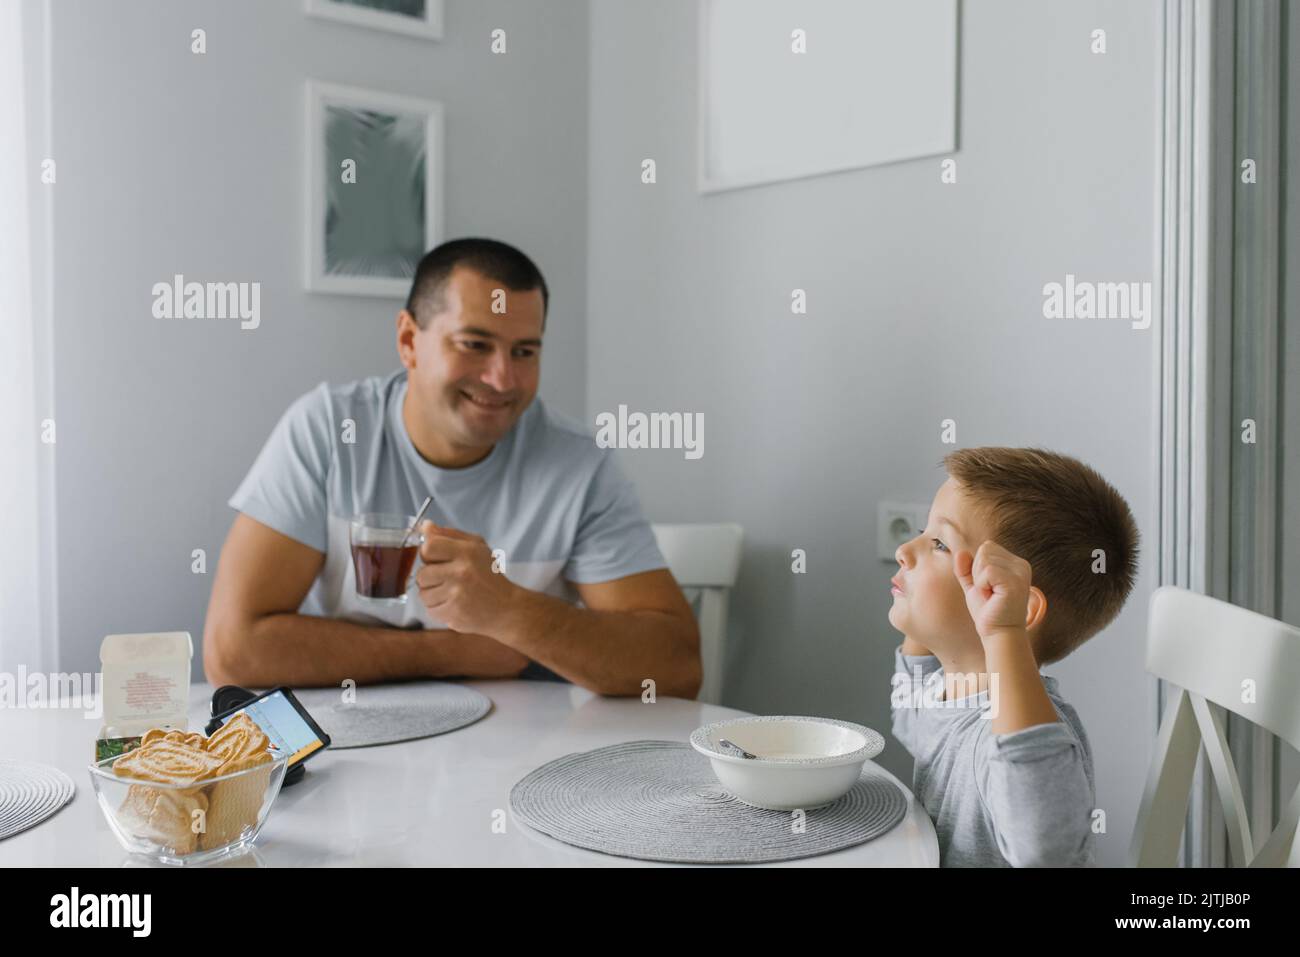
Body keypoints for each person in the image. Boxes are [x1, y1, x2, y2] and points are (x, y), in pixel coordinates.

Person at [203, 238, 701, 697]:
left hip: (519, 762)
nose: (501, 378)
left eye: (524, 351)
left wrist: (510, 611)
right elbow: (232, 652)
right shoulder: (328, 430)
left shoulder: (578, 466)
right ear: (408, 340)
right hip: (350, 747)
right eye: (474, 344)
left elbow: (676, 668)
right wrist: (457, 650)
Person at [888, 447, 1139, 866]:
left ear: (1015, 608)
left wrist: (1003, 632)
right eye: (921, 531)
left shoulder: (1019, 733)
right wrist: (919, 622)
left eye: (938, 544)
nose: (904, 550)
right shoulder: (947, 692)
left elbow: (1044, 848)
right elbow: (910, 719)